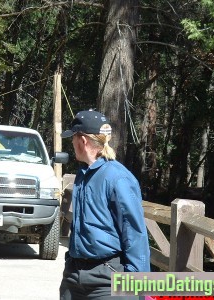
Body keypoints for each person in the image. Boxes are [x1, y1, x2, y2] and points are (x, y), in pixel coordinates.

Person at [59, 110, 150, 299]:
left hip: (106, 278)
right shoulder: (83, 174)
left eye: (73, 138)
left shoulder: (118, 178)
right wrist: (70, 262)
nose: (72, 144)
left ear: (82, 141)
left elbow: (134, 232)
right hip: (74, 275)